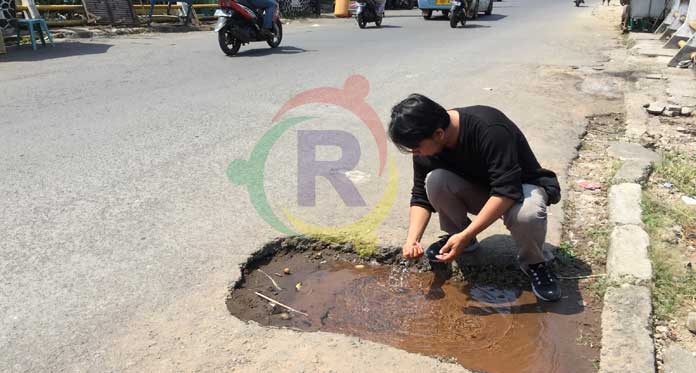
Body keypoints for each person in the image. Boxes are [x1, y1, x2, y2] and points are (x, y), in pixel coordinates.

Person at [388, 94, 563, 302]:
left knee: (527, 214)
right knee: (435, 181)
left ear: (439, 133)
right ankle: (462, 238)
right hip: (483, 190)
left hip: (521, 188)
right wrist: (412, 240)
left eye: (416, 148)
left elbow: (506, 191)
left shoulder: (489, 128)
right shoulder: (428, 144)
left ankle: (535, 264)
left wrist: (469, 231)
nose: (415, 153)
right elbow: (420, 196)